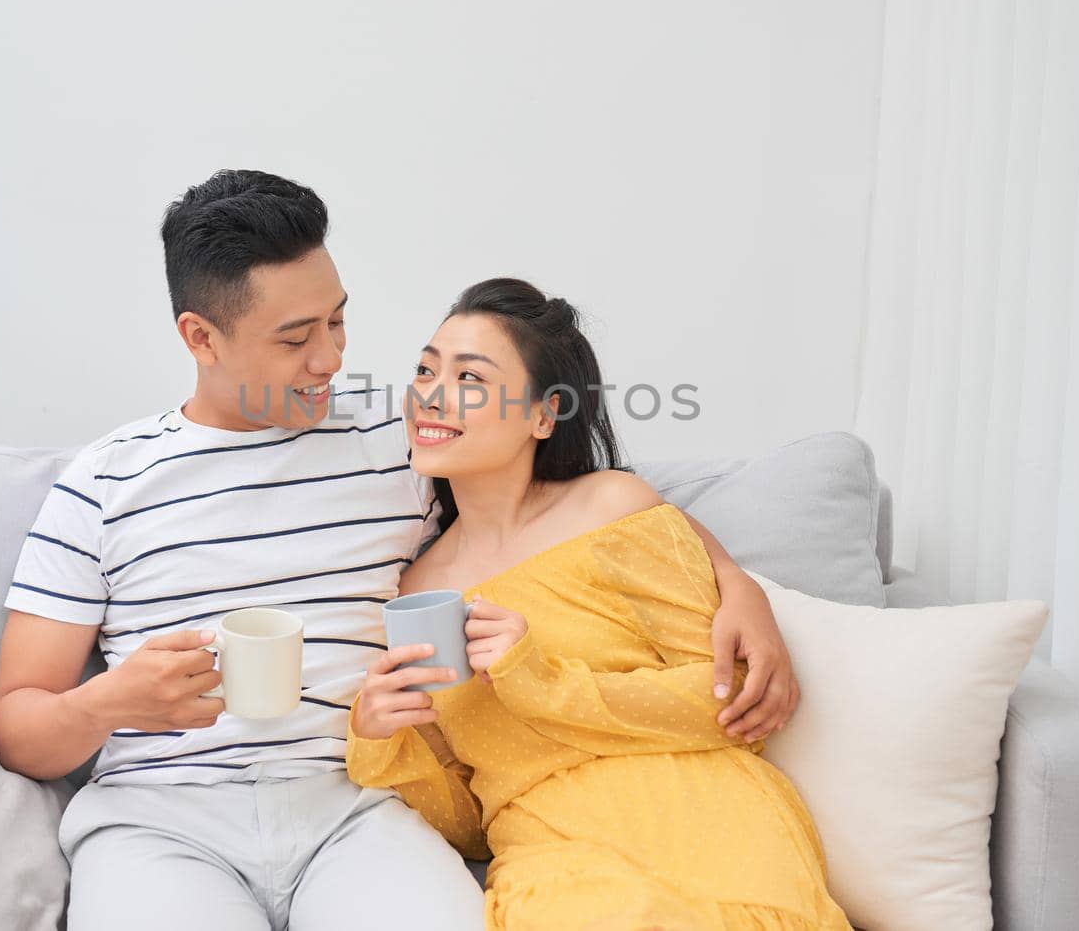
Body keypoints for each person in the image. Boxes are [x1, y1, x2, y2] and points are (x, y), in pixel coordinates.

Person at [0, 170, 801, 930]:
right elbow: (17, 728)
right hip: (161, 817)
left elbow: (577, 507)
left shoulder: (400, 444)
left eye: (338, 319)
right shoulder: (102, 484)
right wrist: (109, 704)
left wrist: (738, 587)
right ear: (201, 336)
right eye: (296, 336)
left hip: (358, 805)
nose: (332, 359)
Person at [347, 277, 852, 930]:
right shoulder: (417, 592)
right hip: (552, 865)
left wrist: (543, 682)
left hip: (706, 824)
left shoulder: (612, 507)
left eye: (471, 379)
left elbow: (729, 707)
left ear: (543, 413)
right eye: (424, 370)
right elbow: (471, 825)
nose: (432, 397)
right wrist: (386, 740)